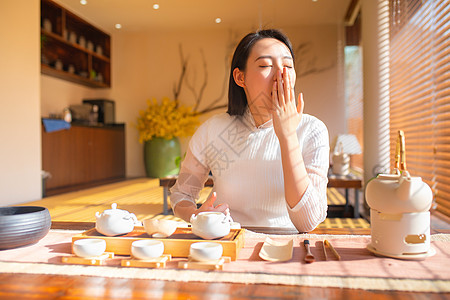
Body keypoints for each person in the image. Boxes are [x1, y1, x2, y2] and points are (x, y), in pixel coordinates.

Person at [170, 29, 329, 232]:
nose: (281, 75)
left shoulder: (312, 130)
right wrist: (196, 215)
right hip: (227, 243)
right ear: (240, 77)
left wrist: (287, 135)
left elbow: (307, 223)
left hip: (287, 249)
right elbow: (181, 195)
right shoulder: (214, 130)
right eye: (265, 65)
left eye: (288, 66)